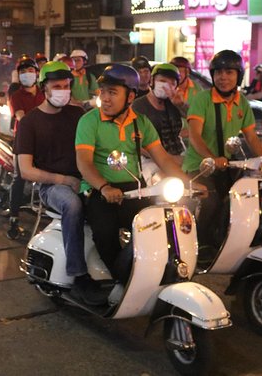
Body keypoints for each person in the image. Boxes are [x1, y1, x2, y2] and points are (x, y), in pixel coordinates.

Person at [75, 64, 192, 281]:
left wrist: (189, 183)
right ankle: (122, 278)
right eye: (103, 92)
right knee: (104, 233)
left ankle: (153, 271)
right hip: (98, 191)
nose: (105, 98)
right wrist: (104, 187)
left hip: (133, 189)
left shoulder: (141, 124)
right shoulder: (89, 121)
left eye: (112, 92)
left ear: (130, 97)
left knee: (157, 225)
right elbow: (84, 163)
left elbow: (163, 158)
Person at [16, 61, 108, 305]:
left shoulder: (77, 115)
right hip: (51, 187)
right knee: (73, 206)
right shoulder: (29, 123)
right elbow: (25, 170)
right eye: (57, 86)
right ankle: (79, 276)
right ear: (44, 87)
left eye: (67, 86)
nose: (63, 91)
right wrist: (64, 180)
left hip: (83, 179)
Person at [182, 50, 262, 252]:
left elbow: (251, 136)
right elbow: (194, 135)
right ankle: (198, 246)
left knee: (246, 197)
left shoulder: (242, 102)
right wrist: (212, 158)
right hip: (200, 166)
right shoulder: (202, 100)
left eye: (229, 72)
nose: (223, 77)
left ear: (238, 76)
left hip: (228, 165)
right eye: (218, 72)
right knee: (210, 201)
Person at [7, 57, 45, 237]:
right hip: (24, 140)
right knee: (19, 177)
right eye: (23, 72)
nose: (27, 75)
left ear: (37, 73)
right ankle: (14, 218)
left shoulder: (45, 93)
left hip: (44, 140)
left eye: (30, 71)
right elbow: (21, 116)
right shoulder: (16, 96)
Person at [131, 63, 185, 160]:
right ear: (152, 81)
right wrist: (166, 158)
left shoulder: (174, 104)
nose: (166, 87)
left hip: (179, 155)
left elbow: (195, 118)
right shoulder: (138, 106)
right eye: (162, 81)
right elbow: (136, 143)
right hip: (150, 159)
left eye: (172, 83)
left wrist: (181, 105)